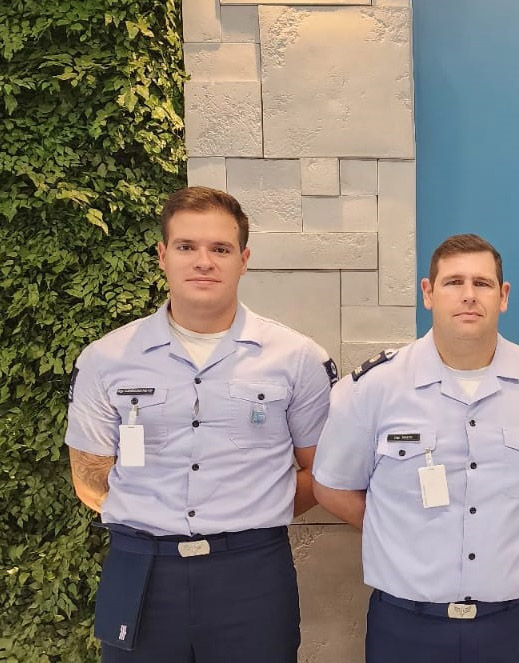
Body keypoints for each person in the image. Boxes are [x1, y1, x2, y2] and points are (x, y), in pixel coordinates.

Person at [64, 186, 336, 662]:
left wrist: (255, 508)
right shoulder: (106, 359)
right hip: (141, 570)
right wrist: (154, 514)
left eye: (221, 249)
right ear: (162, 256)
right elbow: (89, 477)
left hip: (252, 573)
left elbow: (323, 471)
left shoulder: (297, 359)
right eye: (187, 246)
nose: (204, 262)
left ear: (244, 260)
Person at [312, 233, 519, 663]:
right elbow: (331, 487)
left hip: (513, 624)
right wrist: (396, 528)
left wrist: (518, 520)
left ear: (503, 296)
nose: (468, 295)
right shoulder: (374, 388)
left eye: (482, 283)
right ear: (428, 293)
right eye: (453, 282)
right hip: (405, 624)